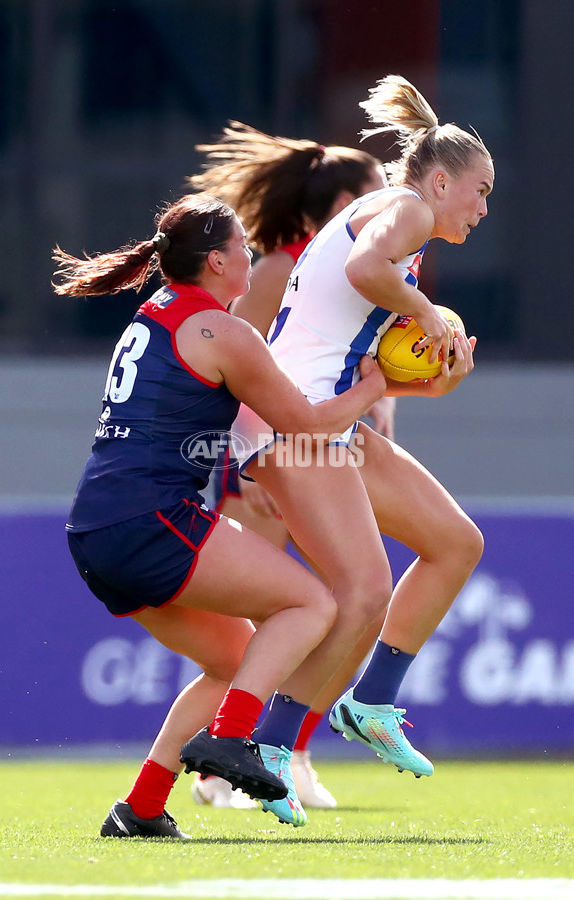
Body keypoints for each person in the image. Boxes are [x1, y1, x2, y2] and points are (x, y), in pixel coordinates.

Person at [52, 193, 386, 839]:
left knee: (236, 662)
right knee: (310, 606)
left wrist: (251, 465)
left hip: (98, 527)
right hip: (149, 518)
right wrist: (378, 382)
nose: (253, 259)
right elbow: (309, 422)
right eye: (243, 248)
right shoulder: (223, 330)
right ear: (215, 261)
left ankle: (141, 808)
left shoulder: (157, 313)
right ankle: (231, 739)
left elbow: (225, 415)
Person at [227, 74, 493, 827]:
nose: (482, 208)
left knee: (455, 544)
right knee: (365, 593)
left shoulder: (397, 214)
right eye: (478, 191)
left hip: (330, 421)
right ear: (440, 181)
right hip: (301, 426)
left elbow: (359, 355)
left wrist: (435, 385)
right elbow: (362, 273)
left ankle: (371, 702)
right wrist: (430, 318)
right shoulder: (406, 208)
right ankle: (272, 747)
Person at [186, 122, 392, 810]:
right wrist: (252, 464)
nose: (375, 214)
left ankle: (283, 750)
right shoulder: (279, 271)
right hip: (267, 458)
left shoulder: (352, 280)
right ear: (316, 216)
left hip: (314, 446)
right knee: (261, 626)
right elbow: (239, 371)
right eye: (360, 203)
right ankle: (222, 765)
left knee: (324, 607)